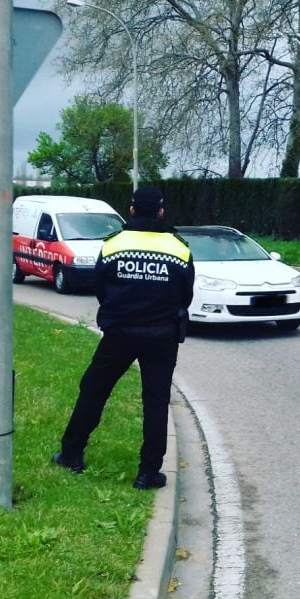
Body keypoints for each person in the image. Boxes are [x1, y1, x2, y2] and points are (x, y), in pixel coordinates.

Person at [53, 185, 196, 490]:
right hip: (162, 336)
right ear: (161, 212)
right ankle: (148, 473)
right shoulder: (180, 248)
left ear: (131, 210)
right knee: (156, 402)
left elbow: (100, 287)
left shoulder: (113, 244)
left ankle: (71, 454)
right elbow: (186, 295)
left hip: (119, 332)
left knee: (93, 390)